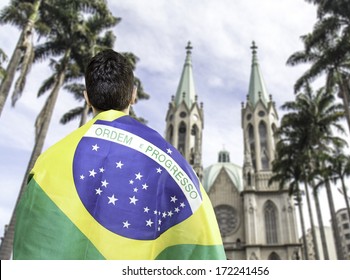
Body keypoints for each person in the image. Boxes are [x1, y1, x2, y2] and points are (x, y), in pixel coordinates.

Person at [13, 49, 226, 260]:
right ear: (133, 95)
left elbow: (31, 243)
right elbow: (203, 253)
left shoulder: (48, 162)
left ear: (87, 97)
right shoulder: (175, 169)